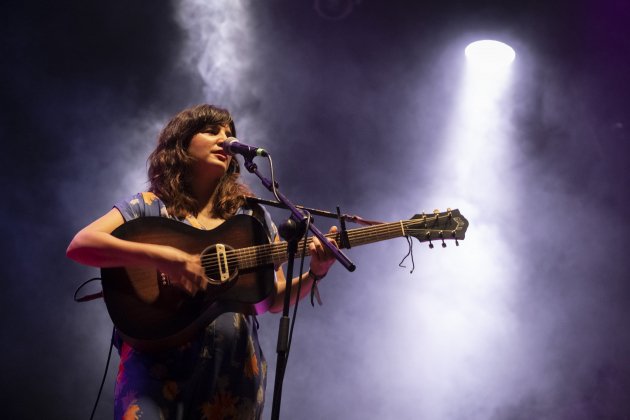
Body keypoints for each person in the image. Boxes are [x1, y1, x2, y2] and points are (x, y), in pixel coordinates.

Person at [66, 104, 337, 419]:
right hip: (155, 371)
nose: (225, 139)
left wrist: (315, 274)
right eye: (212, 131)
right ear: (181, 144)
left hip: (231, 374)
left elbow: (272, 300)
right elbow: (81, 245)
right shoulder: (150, 206)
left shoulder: (251, 216)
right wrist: (164, 256)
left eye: (229, 134)